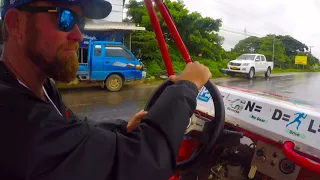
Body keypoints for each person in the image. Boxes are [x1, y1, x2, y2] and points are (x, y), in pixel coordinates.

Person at [0, 0, 212, 179]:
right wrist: (188, 85)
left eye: (80, 22)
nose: (78, 35)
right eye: (65, 19)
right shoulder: (13, 115)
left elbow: (72, 129)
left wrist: (123, 130)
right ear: (15, 24)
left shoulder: (40, 87)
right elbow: (144, 164)